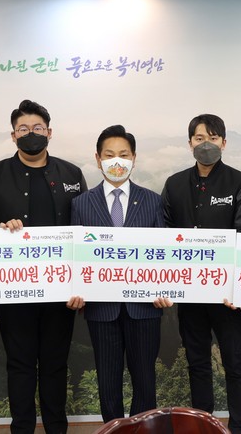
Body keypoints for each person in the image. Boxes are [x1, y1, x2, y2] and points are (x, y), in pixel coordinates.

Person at [0, 99, 86, 434]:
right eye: (23, 129)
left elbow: (85, 231)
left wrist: (82, 285)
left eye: (37, 128)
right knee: (19, 366)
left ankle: (56, 428)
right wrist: (0, 231)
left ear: (49, 132)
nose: (30, 134)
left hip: (60, 293)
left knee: (55, 366)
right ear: (13, 136)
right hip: (14, 292)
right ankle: (21, 428)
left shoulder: (71, 174)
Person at [67, 125, 172, 422]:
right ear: (97, 158)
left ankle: (143, 430)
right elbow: (75, 256)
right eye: (109, 155)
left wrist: (166, 288)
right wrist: (73, 291)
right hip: (101, 309)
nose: (117, 161)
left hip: (145, 308)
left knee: (145, 381)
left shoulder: (152, 200)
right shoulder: (81, 203)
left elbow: (164, 253)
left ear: (134, 159)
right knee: (108, 384)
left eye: (123, 155)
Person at [161, 113, 241, 434]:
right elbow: (163, 236)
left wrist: (238, 289)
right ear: (190, 143)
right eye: (200, 138)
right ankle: (203, 425)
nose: (206, 144)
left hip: (228, 297)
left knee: (235, 364)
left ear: (224, 143)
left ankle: (240, 428)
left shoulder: (240, 182)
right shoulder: (174, 184)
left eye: (213, 138)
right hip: (190, 294)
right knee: (198, 364)